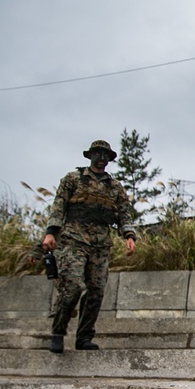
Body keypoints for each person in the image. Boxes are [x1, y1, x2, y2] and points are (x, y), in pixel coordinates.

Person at [42, 139, 137, 353]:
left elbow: (124, 214)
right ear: (90, 156)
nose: (101, 158)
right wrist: (50, 233)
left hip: (101, 243)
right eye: (98, 154)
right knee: (73, 286)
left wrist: (129, 235)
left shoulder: (115, 187)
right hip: (73, 239)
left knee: (96, 291)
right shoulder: (73, 179)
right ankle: (58, 331)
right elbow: (58, 207)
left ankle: (84, 337)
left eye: (106, 155)